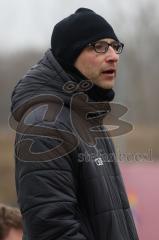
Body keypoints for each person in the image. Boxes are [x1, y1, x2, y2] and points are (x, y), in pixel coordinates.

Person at [11, 8, 139, 240]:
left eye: (115, 46)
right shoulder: (46, 126)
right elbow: (53, 231)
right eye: (99, 46)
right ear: (71, 56)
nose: (113, 55)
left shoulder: (87, 118)